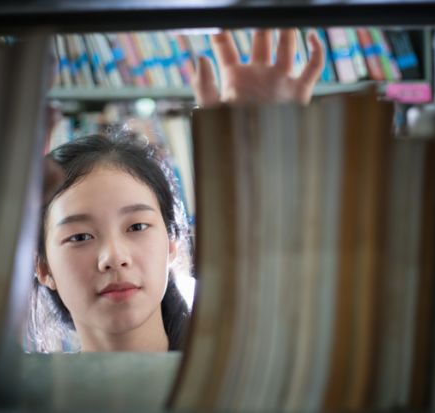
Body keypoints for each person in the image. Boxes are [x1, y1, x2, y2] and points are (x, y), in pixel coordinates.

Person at [27, 29, 325, 353]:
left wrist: (266, 155)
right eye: (80, 236)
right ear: (42, 267)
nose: (114, 258)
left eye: (137, 227)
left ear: (172, 244)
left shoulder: (233, 381)